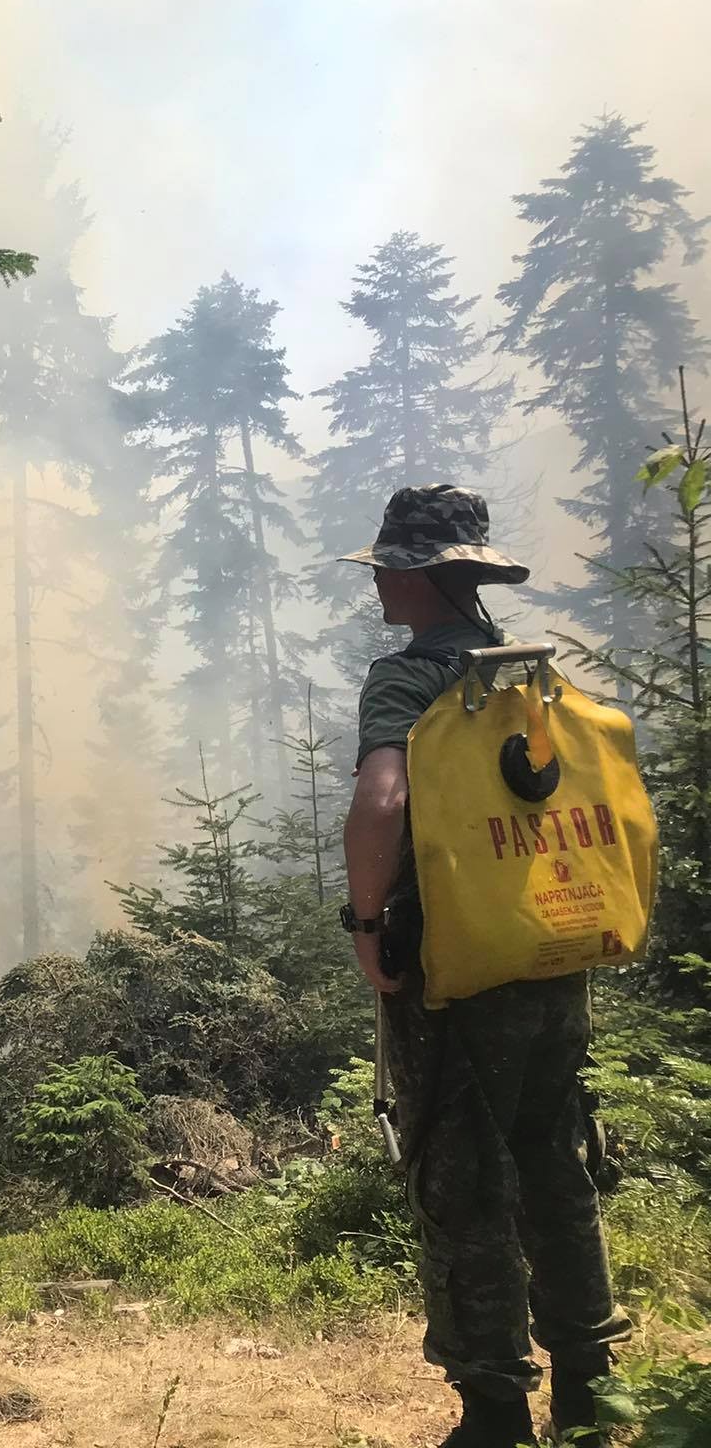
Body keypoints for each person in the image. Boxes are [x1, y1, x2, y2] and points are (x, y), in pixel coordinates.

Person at [339, 485, 631, 1447]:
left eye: (388, 564)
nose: (378, 578)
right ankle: (590, 1388)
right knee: (554, 1161)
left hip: (456, 966)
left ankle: (496, 1409)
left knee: (462, 1180)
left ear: (422, 576)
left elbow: (384, 802)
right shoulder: (525, 675)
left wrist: (368, 922)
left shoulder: (411, 681)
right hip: (549, 944)